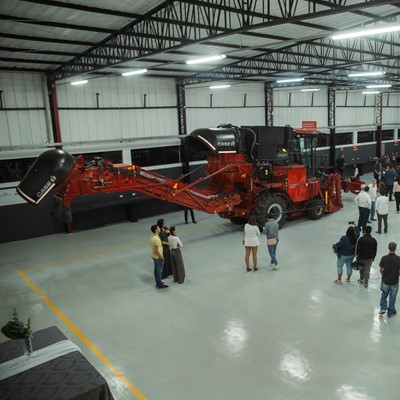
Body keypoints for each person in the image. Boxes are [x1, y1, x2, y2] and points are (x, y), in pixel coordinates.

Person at [378, 242, 400, 318]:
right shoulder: (398, 259)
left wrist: (383, 275)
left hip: (385, 281)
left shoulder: (384, 258)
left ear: (388, 248)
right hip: (394, 282)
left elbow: (381, 269)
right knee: (392, 297)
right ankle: (391, 312)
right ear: (395, 248)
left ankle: (383, 308)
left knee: (384, 294)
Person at [150, 225, 168, 289]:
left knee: (156, 271)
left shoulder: (153, 237)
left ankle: (158, 282)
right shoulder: (157, 239)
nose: (159, 228)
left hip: (154, 256)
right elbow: (157, 250)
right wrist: (161, 256)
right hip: (158, 257)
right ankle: (159, 284)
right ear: (156, 230)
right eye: (158, 228)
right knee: (159, 272)